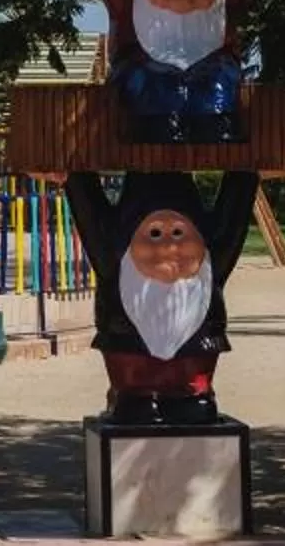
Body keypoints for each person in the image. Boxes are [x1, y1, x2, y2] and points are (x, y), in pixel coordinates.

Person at [67, 169, 259, 426]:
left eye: (178, 234)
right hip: (129, 352)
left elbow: (231, 221)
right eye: (155, 234)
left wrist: (245, 178)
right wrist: (74, 179)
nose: (169, 249)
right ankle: (135, 396)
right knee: (135, 397)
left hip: (195, 352)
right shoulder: (113, 257)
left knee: (192, 399)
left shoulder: (211, 260)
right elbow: (91, 218)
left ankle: (192, 395)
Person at [63, 0, 263, 144]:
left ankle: (215, 121)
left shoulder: (224, 4)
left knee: (216, 94)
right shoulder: (130, 8)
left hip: (215, 101)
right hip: (151, 104)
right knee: (146, 89)